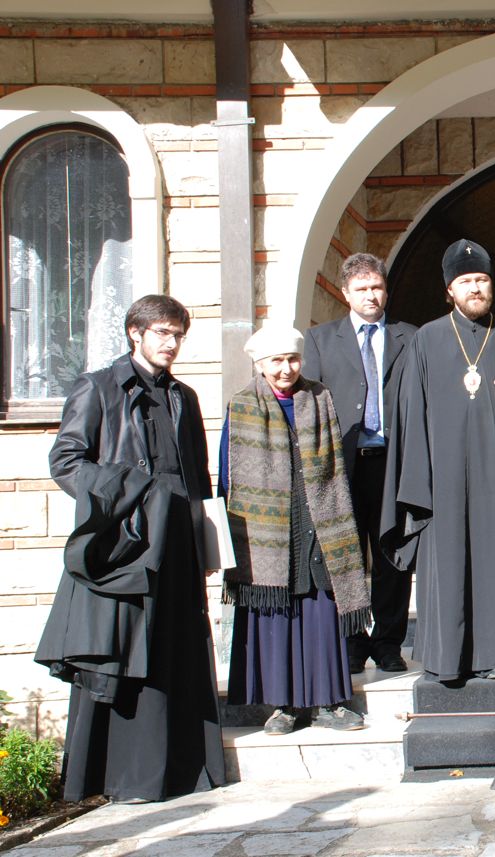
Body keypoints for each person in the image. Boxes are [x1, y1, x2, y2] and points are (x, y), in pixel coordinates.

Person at [36, 294, 224, 803]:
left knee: (174, 650)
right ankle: (121, 778)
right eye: (162, 332)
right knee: (123, 653)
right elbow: (66, 461)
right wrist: (126, 495)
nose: (172, 343)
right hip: (126, 545)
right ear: (134, 333)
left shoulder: (184, 396)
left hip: (178, 544)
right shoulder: (97, 387)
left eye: (178, 335)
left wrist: (206, 541)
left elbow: (198, 476)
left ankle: (181, 771)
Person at [381, 239, 495, 682]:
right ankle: (450, 658)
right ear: (449, 291)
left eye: (481, 280)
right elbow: (409, 416)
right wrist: (418, 485)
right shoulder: (426, 340)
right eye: (465, 282)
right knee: (450, 562)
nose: (475, 288)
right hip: (445, 482)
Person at [220, 325, 372, 735]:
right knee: (278, 614)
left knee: (321, 607)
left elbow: (335, 461)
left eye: (292, 359)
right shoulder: (242, 405)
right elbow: (228, 471)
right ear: (260, 364)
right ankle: (283, 707)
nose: (286, 368)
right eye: (276, 361)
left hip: (318, 517)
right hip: (268, 527)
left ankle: (330, 703)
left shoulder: (319, 398)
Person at [302, 253, 417, 674]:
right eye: (362, 289)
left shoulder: (411, 337)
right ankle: (351, 641)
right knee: (345, 554)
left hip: (393, 462)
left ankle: (388, 643)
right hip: (342, 466)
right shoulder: (319, 339)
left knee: (392, 554)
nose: (371, 296)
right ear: (345, 294)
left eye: (377, 287)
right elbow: (309, 405)